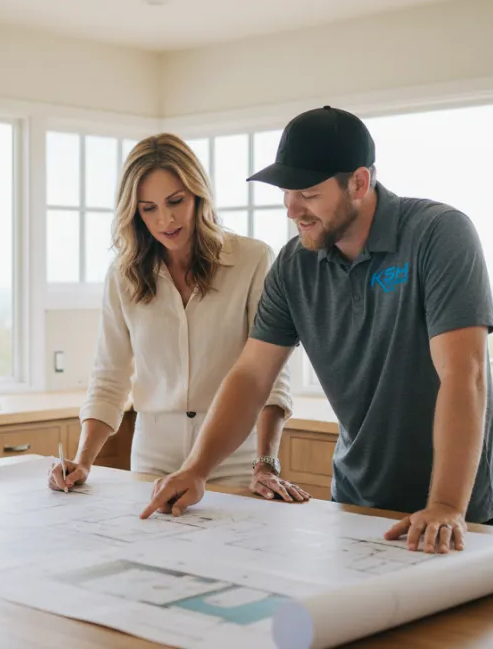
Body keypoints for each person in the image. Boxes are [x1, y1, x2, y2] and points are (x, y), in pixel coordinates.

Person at [139, 107, 493, 554]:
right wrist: (196, 470)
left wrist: (446, 504)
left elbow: (464, 374)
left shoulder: (438, 235)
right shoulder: (294, 265)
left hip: (454, 512)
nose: (293, 209)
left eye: (308, 193)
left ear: (359, 183)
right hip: (356, 506)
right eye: (288, 192)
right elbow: (251, 376)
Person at [48, 133, 310, 503]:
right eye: (148, 208)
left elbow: (269, 375)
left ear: (198, 194)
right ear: (133, 212)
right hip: (152, 454)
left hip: (235, 455)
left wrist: (265, 463)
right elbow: (110, 376)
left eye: (176, 201)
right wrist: (82, 461)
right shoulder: (123, 275)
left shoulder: (253, 260)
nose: (165, 219)